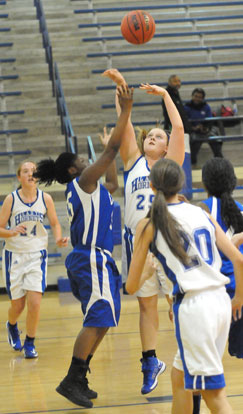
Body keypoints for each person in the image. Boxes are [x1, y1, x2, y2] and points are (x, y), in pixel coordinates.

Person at [33, 85, 133, 408]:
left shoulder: (94, 187)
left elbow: (114, 183)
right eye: (81, 158)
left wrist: (109, 153)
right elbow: (114, 150)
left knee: (102, 319)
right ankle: (71, 379)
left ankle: (80, 374)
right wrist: (125, 110)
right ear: (74, 170)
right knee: (95, 320)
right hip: (91, 257)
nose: (87, 158)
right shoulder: (84, 181)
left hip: (95, 259)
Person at [125, 157, 243, 414]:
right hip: (220, 302)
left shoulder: (149, 223)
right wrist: (238, 299)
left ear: (152, 187)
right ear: (181, 184)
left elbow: (131, 286)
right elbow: (238, 259)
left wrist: (146, 273)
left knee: (214, 396)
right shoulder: (201, 212)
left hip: (195, 307)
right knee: (180, 380)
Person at [102, 68, 185, 395]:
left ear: (167, 149)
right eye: (148, 134)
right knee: (145, 305)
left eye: (158, 136)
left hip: (165, 241)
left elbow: (177, 127)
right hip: (137, 243)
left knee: (175, 302)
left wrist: (165, 95)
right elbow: (124, 124)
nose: (152, 136)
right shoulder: (133, 161)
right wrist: (122, 90)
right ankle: (150, 361)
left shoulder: (170, 165)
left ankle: (187, 352)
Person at [0, 160, 69, 359]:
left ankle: (30, 342)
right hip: (14, 256)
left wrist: (58, 238)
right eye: (26, 171)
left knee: (35, 302)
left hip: (37, 255)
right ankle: (12, 325)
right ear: (19, 177)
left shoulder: (45, 198)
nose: (30, 174)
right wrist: (10, 232)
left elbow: (55, 223)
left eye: (33, 171)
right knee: (18, 306)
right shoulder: (11, 200)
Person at [184, 88, 223, 165]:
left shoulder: (206, 107)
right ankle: (193, 163)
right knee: (195, 142)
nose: (197, 98)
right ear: (192, 96)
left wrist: (205, 128)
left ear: (202, 98)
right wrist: (193, 128)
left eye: (200, 97)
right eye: (196, 96)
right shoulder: (186, 107)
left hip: (205, 131)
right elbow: (185, 121)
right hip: (193, 131)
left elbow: (210, 120)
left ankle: (220, 162)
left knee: (215, 140)